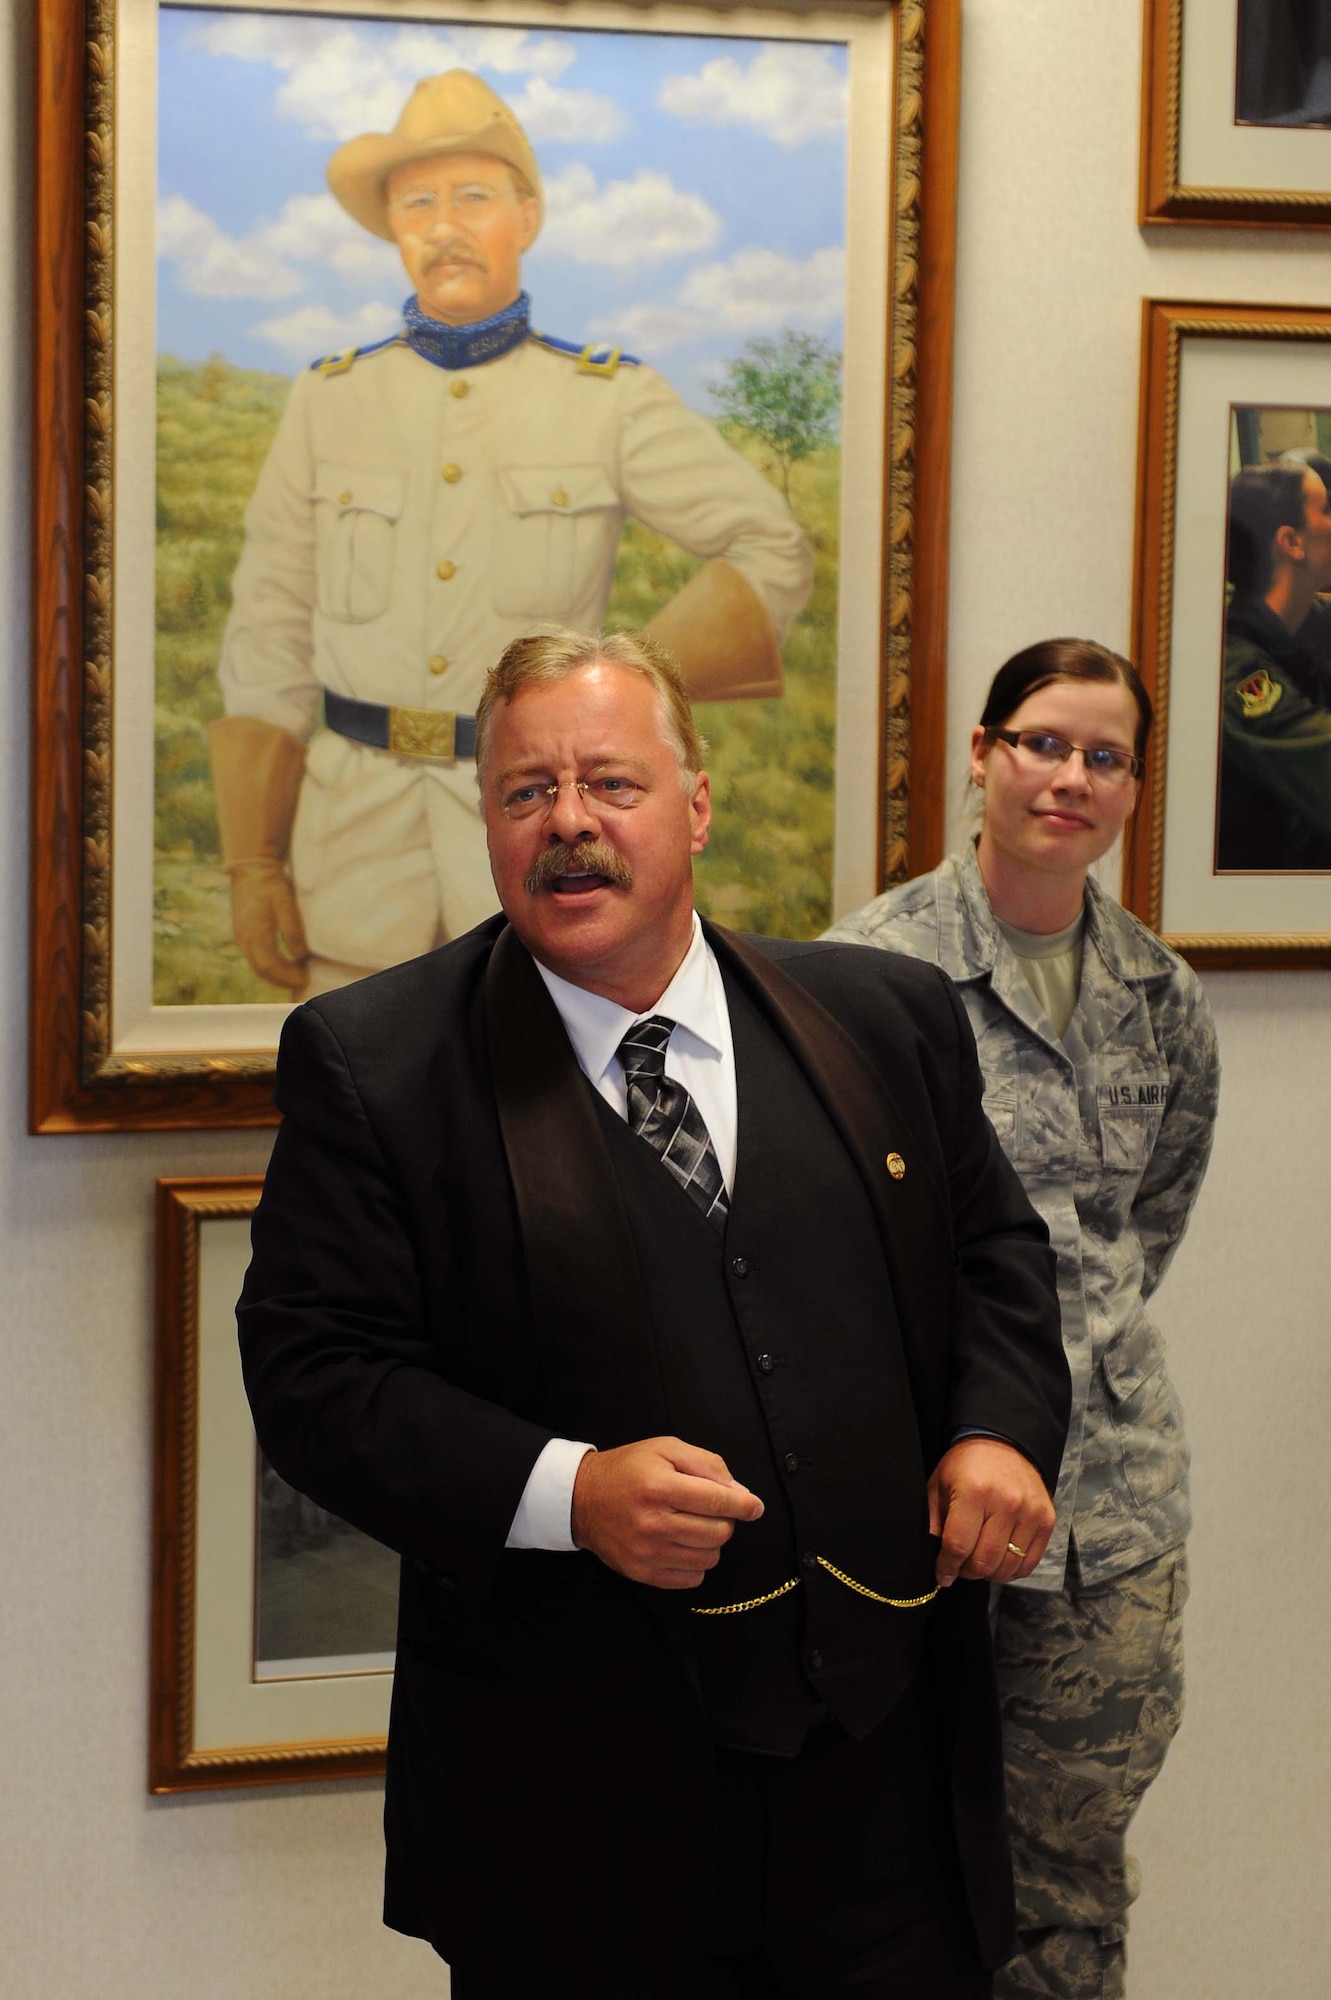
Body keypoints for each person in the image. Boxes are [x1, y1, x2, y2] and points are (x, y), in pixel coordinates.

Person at [237, 626, 1070, 1998]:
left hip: (887, 1807)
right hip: (576, 1833)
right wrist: (566, 1492)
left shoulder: (887, 1018)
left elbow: (992, 1252)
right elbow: (316, 1379)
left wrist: (997, 1430)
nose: (567, 823)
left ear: (692, 805)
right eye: (524, 792)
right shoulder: (375, 1066)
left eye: (608, 784)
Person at [208, 69, 814, 1000]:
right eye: (418, 202)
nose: (443, 225)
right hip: (353, 848)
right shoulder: (330, 401)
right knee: (363, 1115)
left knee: (556, 1121)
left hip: (554, 857)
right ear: (395, 229)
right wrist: (252, 864)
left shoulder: (607, 401)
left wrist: (624, 709)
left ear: (524, 216)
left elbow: (769, 547)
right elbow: (269, 627)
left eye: (472, 197)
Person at [826, 638, 1220, 2000]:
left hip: (1103, 1525)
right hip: (904, 1506)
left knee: (1064, 1894)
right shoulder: (859, 975)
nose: (1067, 778)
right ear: (981, 755)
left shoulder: (1160, 999)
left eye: (1101, 756)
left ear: (1128, 789)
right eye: (1041, 743)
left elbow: (1136, 1230)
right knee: (872, 1875)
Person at [1218, 459, 1331, 868]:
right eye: (1327, 509)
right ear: (1291, 542)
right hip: (1266, 901)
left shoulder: (1310, 620)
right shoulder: (1235, 669)